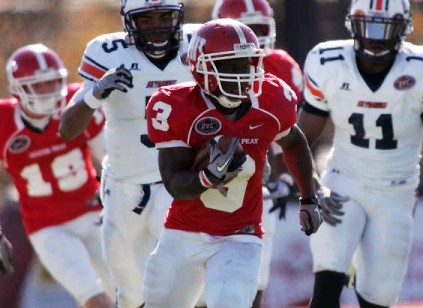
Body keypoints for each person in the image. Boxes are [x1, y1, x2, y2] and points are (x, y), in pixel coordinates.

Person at [142, 18, 322, 308]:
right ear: (201, 66)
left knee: (230, 301)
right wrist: (209, 176)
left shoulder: (271, 98)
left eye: (245, 64)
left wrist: (308, 198)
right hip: (183, 232)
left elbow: (294, 141)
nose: (240, 74)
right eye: (228, 66)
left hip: (240, 237)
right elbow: (175, 183)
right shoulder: (175, 106)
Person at [297, 0, 423, 307]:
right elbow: (299, 139)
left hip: (396, 191)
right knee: (327, 280)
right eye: (368, 27)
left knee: (378, 297)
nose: (375, 38)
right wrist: (313, 189)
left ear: (402, 31)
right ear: (353, 27)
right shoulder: (328, 62)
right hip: (343, 182)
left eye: (384, 29)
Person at [59, 0, 194, 306]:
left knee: (183, 278)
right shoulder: (106, 53)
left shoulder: (197, 44)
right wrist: (95, 93)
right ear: (130, 23)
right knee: (130, 290)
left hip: (178, 182)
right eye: (147, 19)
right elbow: (67, 128)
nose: (158, 25)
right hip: (124, 187)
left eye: (165, 17)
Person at [0, 44, 114, 308]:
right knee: (95, 299)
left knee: (129, 293)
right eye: (37, 85)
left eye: (52, 82)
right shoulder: (4, 120)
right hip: (48, 228)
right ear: (18, 88)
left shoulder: (76, 104)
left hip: (93, 214)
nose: (47, 92)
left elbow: (110, 158)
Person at [209, 1, 305, 306]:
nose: (255, 37)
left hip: (257, 182)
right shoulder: (198, 63)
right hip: (204, 180)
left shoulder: (282, 67)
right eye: (247, 29)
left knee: (255, 275)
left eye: (260, 29)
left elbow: (289, 136)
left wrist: (286, 180)